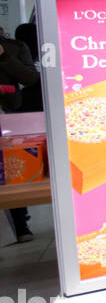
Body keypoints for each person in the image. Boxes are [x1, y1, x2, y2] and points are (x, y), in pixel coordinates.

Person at [1, 29, 42, 243]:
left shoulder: (13, 47)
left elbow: (30, 78)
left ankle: (20, 224)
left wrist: (4, 57)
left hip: (9, 117)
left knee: (11, 169)